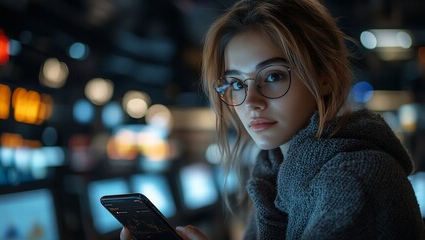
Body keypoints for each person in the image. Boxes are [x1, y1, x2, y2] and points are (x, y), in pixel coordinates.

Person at [121, 0, 425, 239]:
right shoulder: (275, 176)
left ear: (325, 77)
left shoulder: (354, 177)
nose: (251, 101)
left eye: (274, 76)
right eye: (237, 83)